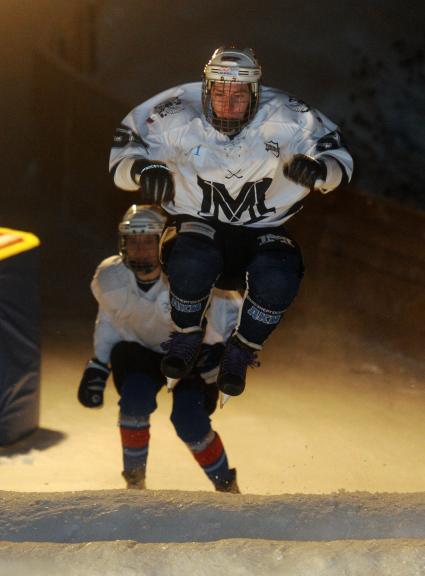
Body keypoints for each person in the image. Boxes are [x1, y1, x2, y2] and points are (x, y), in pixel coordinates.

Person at [109, 46, 354, 398]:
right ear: (206, 89)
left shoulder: (289, 117)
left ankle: (242, 349)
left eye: (238, 94)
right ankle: (187, 335)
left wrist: (320, 170)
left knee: (279, 274)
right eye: (220, 92)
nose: (228, 103)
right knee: (193, 259)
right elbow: (126, 149)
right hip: (197, 226)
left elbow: (338, 158)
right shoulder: (175, 113)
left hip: (263, 231)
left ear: (255, 93)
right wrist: (142, 168)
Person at [77, 205, 241, 492]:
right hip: (141, 352)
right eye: (133, 241)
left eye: (149, 241)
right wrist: (98, 365)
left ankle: (226, 486)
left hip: (191, 356)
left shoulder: (191, 272)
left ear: (163, 241)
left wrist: (223, 354)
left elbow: (231, 310)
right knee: (134, 399)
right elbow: (110, 321)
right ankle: (135, 482)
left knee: (189, 419)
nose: (140, 249)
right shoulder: (110, 277)